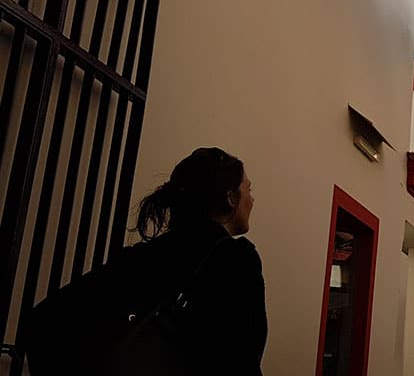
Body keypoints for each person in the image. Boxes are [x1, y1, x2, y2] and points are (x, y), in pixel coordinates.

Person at [22, 147, 267, 375]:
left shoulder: (141, 257)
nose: (253, 200)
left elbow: (43, 322)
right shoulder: (237, 260)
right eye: (248, 189)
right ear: (230, 198)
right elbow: (242, 361)